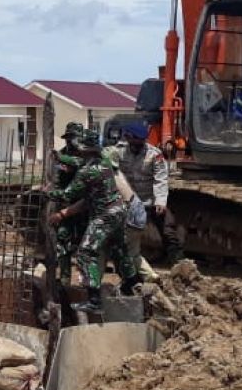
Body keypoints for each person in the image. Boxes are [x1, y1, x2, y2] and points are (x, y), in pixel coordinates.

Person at [47, 129, 135, 314]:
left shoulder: (87, 172)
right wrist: (60, 158)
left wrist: (47, 192)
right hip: (118, 211)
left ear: (83, 149)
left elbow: (67, 194)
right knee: (119, 249)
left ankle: (94, 301)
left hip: (105, 216)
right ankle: (132, 283)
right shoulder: (103, 163)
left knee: (86, 252)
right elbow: (78, 166)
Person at [110, 123, 181, 283]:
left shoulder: (154, 154)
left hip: (149, 199)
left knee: (168, 229)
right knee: (123, 237)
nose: (137, 145)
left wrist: (161, 201)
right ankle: (129, 273)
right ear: (128, 138)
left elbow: (160, 179)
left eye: (140, 142)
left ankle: (178, 264)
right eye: (134, 141)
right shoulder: (118, 151)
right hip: (128, 201)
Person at [51, 122, 90, 289]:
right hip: (67, 203)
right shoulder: (62, 155)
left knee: (87, 243)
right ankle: (65, 278)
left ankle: (86, 281)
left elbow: (78, 163)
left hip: (85, 205)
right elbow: (58, 176)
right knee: (63, 237)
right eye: (68, 138)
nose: (70, 141)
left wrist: (60, 159)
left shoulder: (86, 154)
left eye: (73, 138)